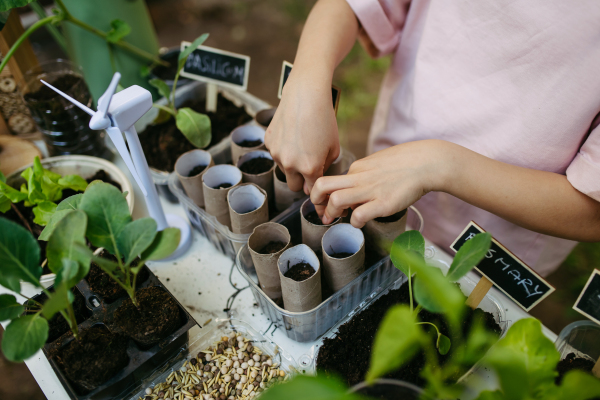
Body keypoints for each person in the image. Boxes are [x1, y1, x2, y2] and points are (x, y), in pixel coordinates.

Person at [264, 0, 600, 276]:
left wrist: (439, 165)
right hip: (395, 152)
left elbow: (592, 211)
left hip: (508, 228)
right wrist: (306, 82)